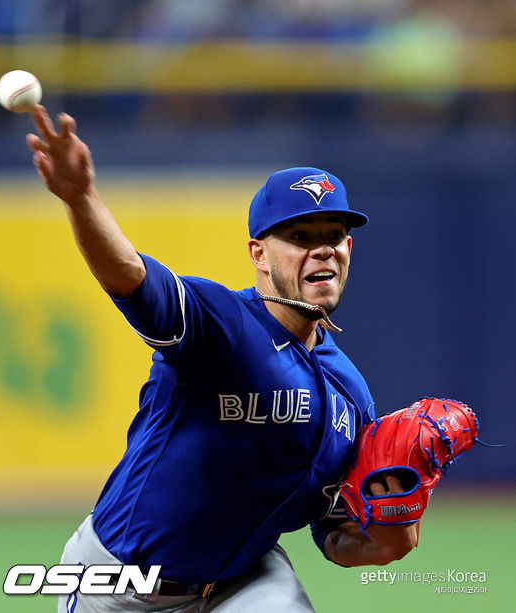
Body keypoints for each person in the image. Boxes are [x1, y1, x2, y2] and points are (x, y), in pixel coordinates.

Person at [26, 105, 417, 613]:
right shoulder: (223, 324)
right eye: (300, 237)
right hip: (121, 583)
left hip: (242, 580)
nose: (323, 250)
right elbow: (129, 276)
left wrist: (390, 539)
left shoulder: (351, 394)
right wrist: (80, 199)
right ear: (259, 254)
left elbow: (333, 533)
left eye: (334, 236)